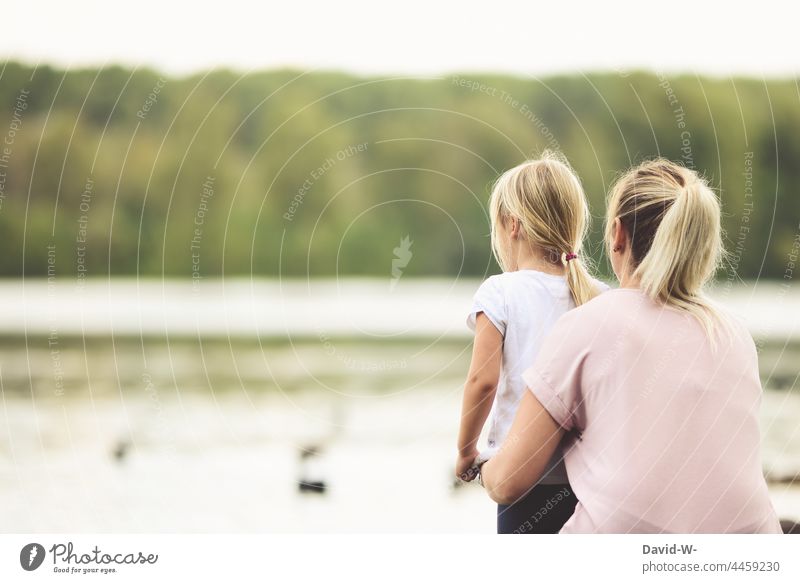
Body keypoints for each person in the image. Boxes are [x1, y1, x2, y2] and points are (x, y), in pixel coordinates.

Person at [479, 159, 782, 533]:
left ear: (617, 234)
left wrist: (480, 468)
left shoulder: (589, 324)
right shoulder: (735, 334)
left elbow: (509, 482)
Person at [455, 151, 607, 533]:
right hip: (589, 482)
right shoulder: (600, 297)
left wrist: (465, 452)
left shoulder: (501, 292)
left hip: (521, 475)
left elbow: (482, 382)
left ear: (512, 226)